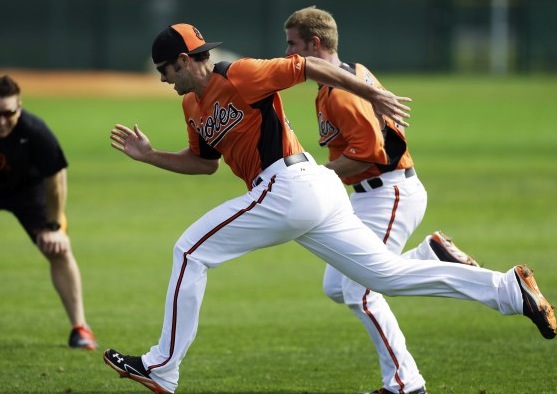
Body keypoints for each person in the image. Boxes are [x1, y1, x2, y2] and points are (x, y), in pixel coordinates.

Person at [102, 23, 555, 394]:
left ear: (184, 60)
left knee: (189, 251)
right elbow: (203, 164)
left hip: (288, 185)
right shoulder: (191, 104)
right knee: (382, 277)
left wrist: (371, 94)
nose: (162, 78)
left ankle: (161, 367)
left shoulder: (239, 74)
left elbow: (310, 66)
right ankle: (508, 290)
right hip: (311, 191)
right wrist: (150, 156)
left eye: (165, 69)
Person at [283, 7, 480, 394]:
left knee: (361, 290)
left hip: (389, 193)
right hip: (375, 194)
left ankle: (405, 384)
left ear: (315, 44)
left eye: (293, 44)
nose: (288, 52)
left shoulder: (340, 93)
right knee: (336, 286)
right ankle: (431, 255)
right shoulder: (350, 75)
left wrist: (315, 174)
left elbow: (369, 153)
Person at [0, 75, 97, 350]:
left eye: (8, 113)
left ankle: (80, 328)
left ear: (19, 106)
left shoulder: (34, 130)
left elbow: (56, 178)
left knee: (59, 250)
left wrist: (53, 227)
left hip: (28, 192)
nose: (2, 121)